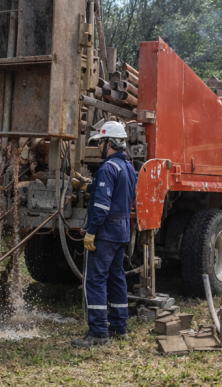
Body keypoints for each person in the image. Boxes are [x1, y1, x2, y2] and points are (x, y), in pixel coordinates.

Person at [71, 121, 138, 348]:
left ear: (109, 143)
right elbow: (117, 192)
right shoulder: (128, 168)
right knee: (116, 277)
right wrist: (87, 186)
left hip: (106, 232)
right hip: (121, 232)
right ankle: (119, 327)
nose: (99, 146)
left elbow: (101, 207)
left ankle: (98, 334)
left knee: (95, 280)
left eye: (100, 142)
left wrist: (91, 231)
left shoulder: (107, 168)